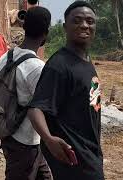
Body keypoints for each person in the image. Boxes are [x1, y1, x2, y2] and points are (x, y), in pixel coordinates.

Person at [27, 1, 104, 180]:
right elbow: (35, 109)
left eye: (89, 21)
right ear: (64, 27)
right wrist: (49, 139)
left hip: (90, 153)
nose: (84, 25)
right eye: (77, 21)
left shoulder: (85, 60)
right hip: (75, 161)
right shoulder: (59, 65)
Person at [0, 6, 53, 180]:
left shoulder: (4, 59)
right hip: (26, 144)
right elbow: (45, 111)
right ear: (45, 34)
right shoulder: (38, 68)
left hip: (12, 137)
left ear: (24, 27)